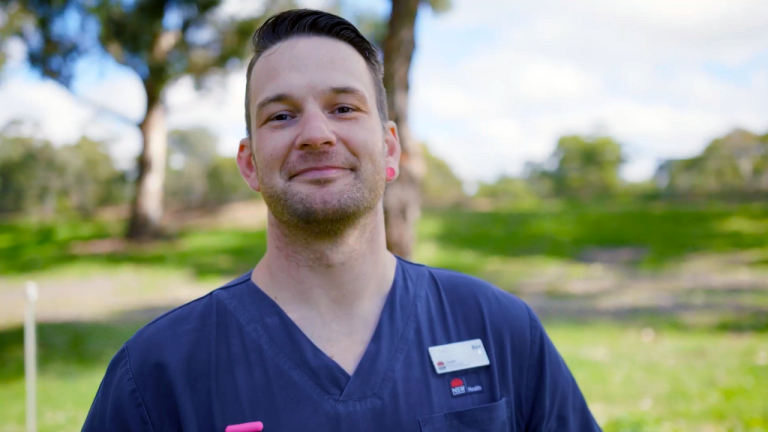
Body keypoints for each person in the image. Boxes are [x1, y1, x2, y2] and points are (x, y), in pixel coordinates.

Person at [82, 9, 601, 432]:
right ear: (249, 163)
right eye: (281, 116)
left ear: (390, 147)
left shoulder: (501, 331)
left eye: (344, 108)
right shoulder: (156, 374)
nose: (316, 134)